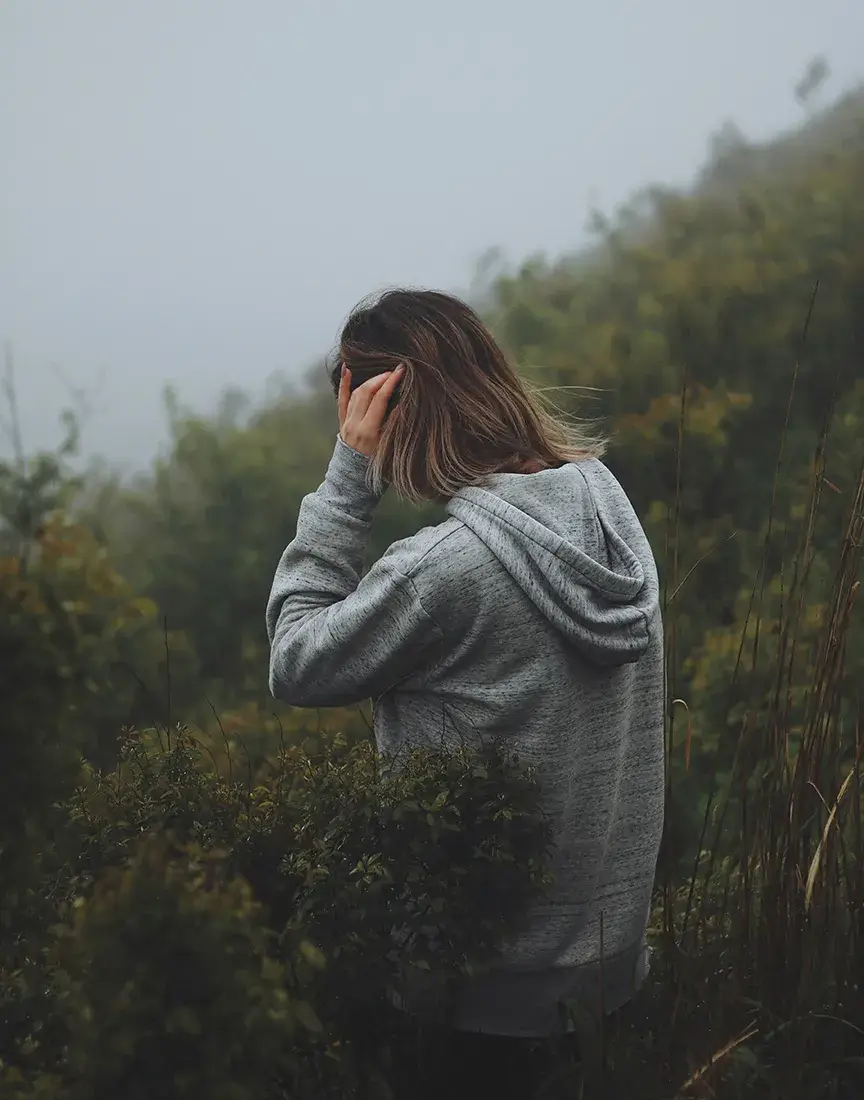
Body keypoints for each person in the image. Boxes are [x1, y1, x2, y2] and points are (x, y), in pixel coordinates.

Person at [266, 289, 665, 1098]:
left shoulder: (443, 572)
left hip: (477, 997)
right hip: (613, 971)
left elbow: (296, 659)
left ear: (385, 410)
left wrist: (349, 477)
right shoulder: (606, 506)